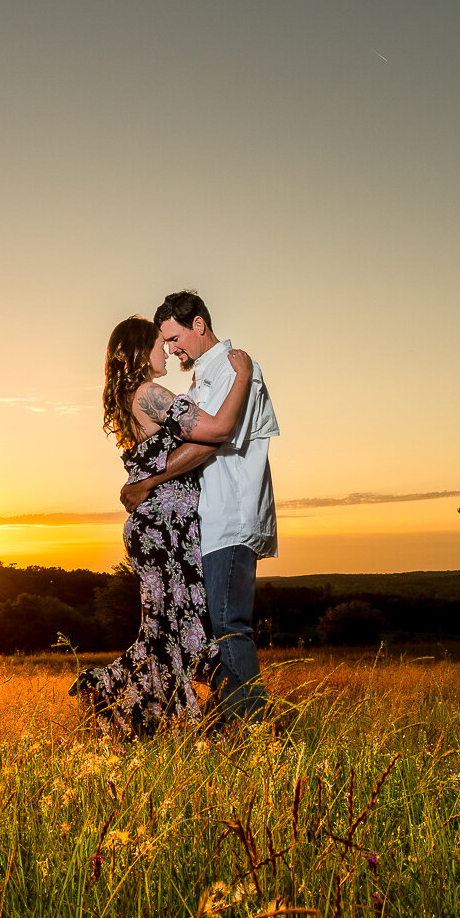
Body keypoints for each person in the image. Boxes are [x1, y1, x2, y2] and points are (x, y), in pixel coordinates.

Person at [71, 316, 254, 736]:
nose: (167, 350)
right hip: (163, 525)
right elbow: (219, 430)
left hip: (163, 524)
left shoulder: (131, 395)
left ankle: (136, 717)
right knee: (177, 631)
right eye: (159, 343)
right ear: (139, 351)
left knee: (169, 631)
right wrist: (241, 376)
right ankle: (118, 701)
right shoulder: (148, 393)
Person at [121, 290, 278, 731]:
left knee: (229, 625)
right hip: (202, 524)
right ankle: (229, 727)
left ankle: (254, 731)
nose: (171, 349)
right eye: (164, 343)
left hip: (229, 518)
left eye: (174, 339)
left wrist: (148, 480)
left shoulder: (234, 368)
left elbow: (216, 438)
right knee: (206, 631)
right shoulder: (199, 378)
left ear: (199, 325)